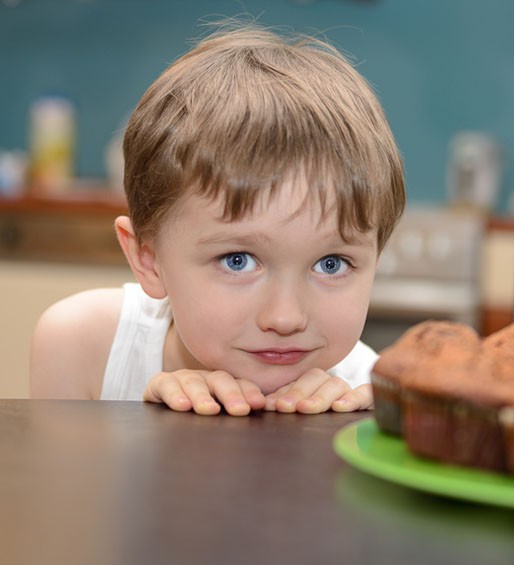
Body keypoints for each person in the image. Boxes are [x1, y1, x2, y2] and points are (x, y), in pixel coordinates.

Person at [28, 24, 405, 415]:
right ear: (148, 258)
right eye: (237, 260)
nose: (286, 317)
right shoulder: (84, 347)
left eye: (332, 264)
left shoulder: (373, 399)